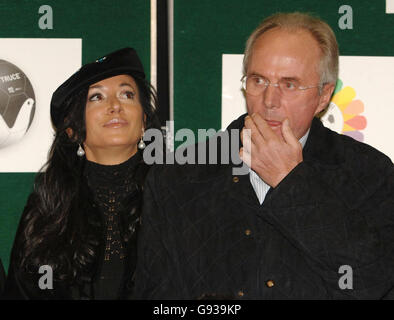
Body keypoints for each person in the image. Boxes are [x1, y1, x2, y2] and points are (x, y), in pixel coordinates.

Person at [133, 12, 394, 299]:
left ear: (323, 95)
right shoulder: (180, 175)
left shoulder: (369, 173)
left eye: (289, 84)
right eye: (258, 81)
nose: (270, 101)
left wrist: (291, 182)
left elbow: (372, 280)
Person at [4, 47, 161, 299]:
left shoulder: (173, 195)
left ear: (144, 121)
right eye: (97, 97)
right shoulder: (51, 203)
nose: (115, 106)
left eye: (127, 94)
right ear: (73, 130)